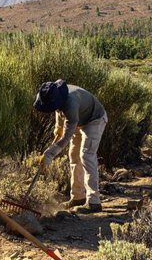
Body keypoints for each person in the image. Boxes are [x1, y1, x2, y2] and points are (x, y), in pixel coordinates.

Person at [34, 80, 108, 214]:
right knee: (74, 156)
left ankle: (94, 202)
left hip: (94, 120)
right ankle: (78, 197)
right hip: (80, 121)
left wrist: (50, 153)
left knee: (86, 156)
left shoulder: (71, 103)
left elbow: (67, 135)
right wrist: (58, 130)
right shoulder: (56, 95)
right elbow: (59, 113)